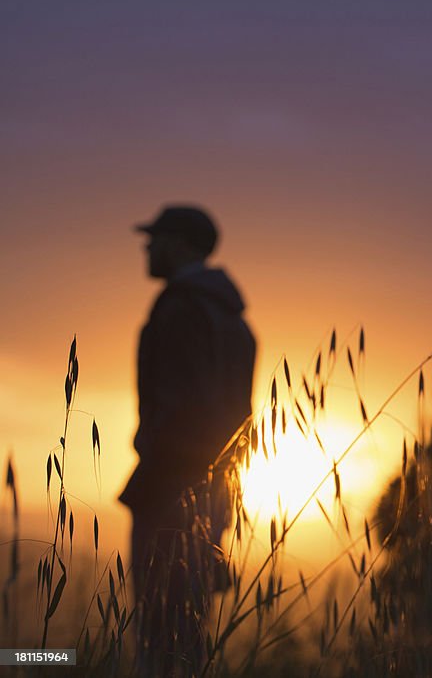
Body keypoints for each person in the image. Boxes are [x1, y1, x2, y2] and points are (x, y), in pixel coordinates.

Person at [119, 205, 256, 676]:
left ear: (179, 245)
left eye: (154, 239)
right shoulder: (235, 323)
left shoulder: (179, 309)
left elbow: (179, 408)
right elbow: (240, 422)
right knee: (186, 635)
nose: (147, 248)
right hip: (211, 495)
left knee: (156, 637)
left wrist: (155, 472)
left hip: (169, 492)